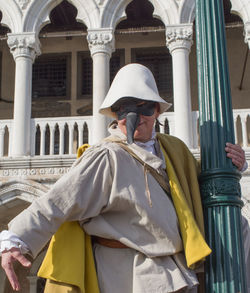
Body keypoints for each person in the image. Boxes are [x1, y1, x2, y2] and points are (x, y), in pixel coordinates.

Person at [0, 63, 249, 293]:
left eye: (145, 108)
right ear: (115, 114)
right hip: (129, 276)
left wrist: (233, 164)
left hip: (174, 267)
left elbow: (200, 189)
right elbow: (58, 201)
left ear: (157, 110)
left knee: (242, 226)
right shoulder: (107, 156)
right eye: (125, 109)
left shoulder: (174, 149)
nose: (134, 119)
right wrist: (16, 238)